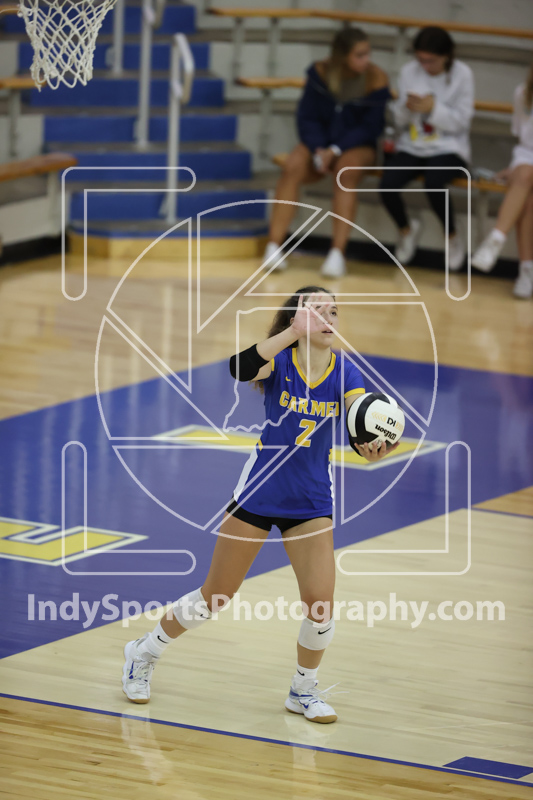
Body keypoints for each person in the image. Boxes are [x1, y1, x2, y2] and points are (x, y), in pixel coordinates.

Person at [122, 288, 398, 724]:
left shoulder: (344, 369)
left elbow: (357, 420)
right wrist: (292, 330)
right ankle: (143, 651)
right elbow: (239, 367)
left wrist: (372, 445)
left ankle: (302, 689)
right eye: (318, 311)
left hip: (310, 500)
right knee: (215, 597)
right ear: (298, 319)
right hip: (259, 493)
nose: (330, 318)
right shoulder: (281, 361)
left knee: (321, 606)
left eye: (334, 311)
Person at [263, 29, 390, 278]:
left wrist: (335, 149)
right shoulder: (319, 73)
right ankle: (273, 246)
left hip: (356, 145)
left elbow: (371, 127)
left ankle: (336, 254)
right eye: (360, 55)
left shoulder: (376, 79)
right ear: (343, 57)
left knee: (346, 170)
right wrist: (319, 148)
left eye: (367, 53)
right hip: (321, 143)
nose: (367, 59)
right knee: (293, 165)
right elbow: (307, 117)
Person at [379, 27, 474, 271]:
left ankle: (452, 237)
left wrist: (433, 109)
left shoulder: (463, 74)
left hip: (449, 147)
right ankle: (407, 229)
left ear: (446, 56)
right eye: (420, 59)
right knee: (386, 184)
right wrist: (406, 107)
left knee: (433, 183)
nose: (424, 65)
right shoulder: (410, 71)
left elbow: (462, 121)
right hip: (413, 144)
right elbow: (399, 120)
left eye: (430, 60)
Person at [472, 62, 533, 298]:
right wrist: (514, 167)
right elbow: (524, 141)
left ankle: (497, 239)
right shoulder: (522, 93)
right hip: (527, 159)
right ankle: (526, 271)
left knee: (526, 183)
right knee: (526, 186)